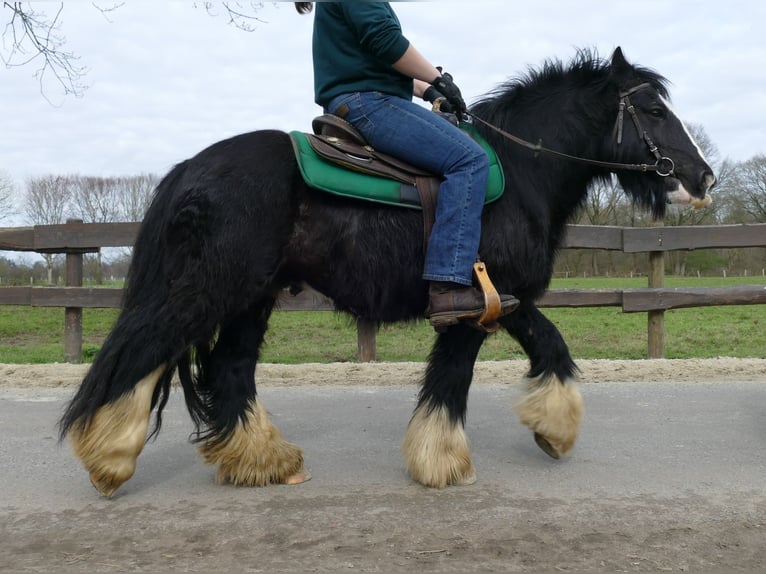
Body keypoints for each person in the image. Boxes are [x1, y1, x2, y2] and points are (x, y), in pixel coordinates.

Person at [295, 2, 518, 330]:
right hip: (369, 102)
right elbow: (386, 40)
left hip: (364, 95)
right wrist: (437, 78)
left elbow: (378, 58)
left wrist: (428, 89)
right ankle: (449, 286)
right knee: (469, 160)